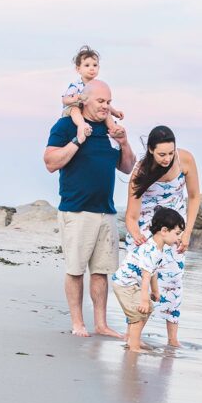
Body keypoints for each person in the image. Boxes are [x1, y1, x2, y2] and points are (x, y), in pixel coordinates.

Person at [44, 79, 136, 338]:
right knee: (75, 270)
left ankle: (101, 324)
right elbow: (50, 162)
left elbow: (128, 167)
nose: (106, 106)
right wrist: (77, 140)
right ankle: (77, 323)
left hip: (106, 212)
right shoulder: (66, 126)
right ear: (84, 100)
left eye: (109, 101)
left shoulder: (110, 130)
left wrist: (125, 142)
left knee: (101, 272)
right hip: (77, 210)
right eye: (101, 101)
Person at [124, 125, 201, 348]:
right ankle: (133, 337)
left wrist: (187, 233)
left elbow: (194, 197)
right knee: (143, 287)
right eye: (161, 154)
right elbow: (130, 216)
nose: (167, 158)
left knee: (173, 283)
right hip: (146, 234)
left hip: (174, 234)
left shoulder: (185, 160)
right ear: (150, 150)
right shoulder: (141, 171)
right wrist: (139, 238)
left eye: (170, 152)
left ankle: (173, 339)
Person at [111, 207, 185, 352]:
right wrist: (144, 299)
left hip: (131, 284)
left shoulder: (158, 248)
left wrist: (155, 291)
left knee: (148, 309)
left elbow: (153, 272)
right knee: (139, 312)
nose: (179, 238)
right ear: (164, 231)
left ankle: (134, 340)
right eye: (177, 234)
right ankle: (134, 345)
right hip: (125, 283)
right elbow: (146, 277)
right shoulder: (151, 250)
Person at [61, 45, 125, 144]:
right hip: (75, 108)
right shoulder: (76, 85)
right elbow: (65, 99)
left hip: (91, 110)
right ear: (78, 69)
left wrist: (115, 112)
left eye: (94, 65)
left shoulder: (97, 86)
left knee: (104, 108)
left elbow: (104, 102)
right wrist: (74, 99)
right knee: (75, 110)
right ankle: (82, 125)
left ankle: (113, 127)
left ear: (98, 67)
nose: (91, 68)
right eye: (87, 65)